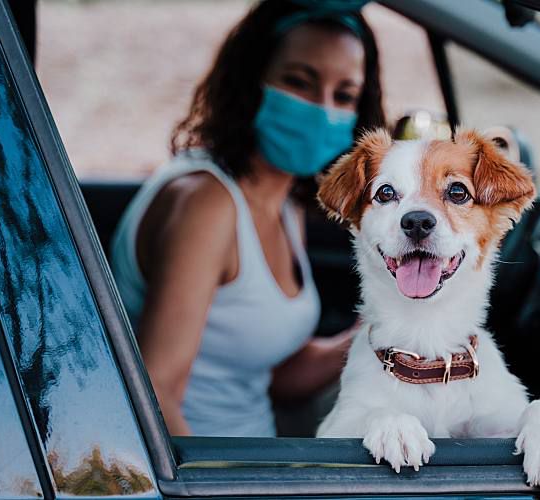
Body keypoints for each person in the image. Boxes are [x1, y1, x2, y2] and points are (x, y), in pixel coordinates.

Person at [109, 0, 384, 437]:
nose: (322, 108)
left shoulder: (284, 200)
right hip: (207, 473)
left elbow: (264, 378)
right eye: (299, 82)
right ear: (251, 83)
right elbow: (156, 395)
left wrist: (375, 335)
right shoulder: (206, 203)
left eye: (344, 95)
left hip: (254, 456)